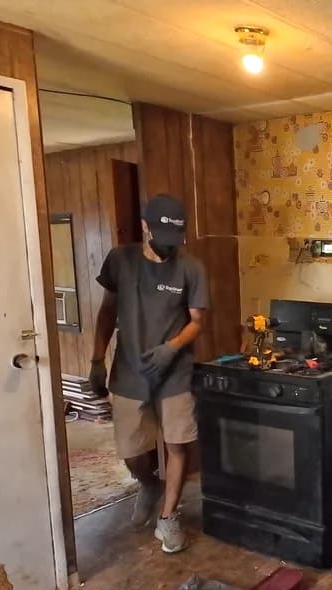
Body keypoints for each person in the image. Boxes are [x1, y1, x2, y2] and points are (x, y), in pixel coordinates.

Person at [88, 193, 208, 553]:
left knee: (177, 443)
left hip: (175, 372)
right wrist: (97, 359)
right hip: (130, 371)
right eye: (163, 238)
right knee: (130, 449)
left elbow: (198, 321)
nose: (170, 248)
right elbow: (108, 311)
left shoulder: (191, 268)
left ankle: (169, 518)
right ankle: (148, 483)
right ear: (145, 227)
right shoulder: (120, 261)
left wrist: (172, 347)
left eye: (177, 240)